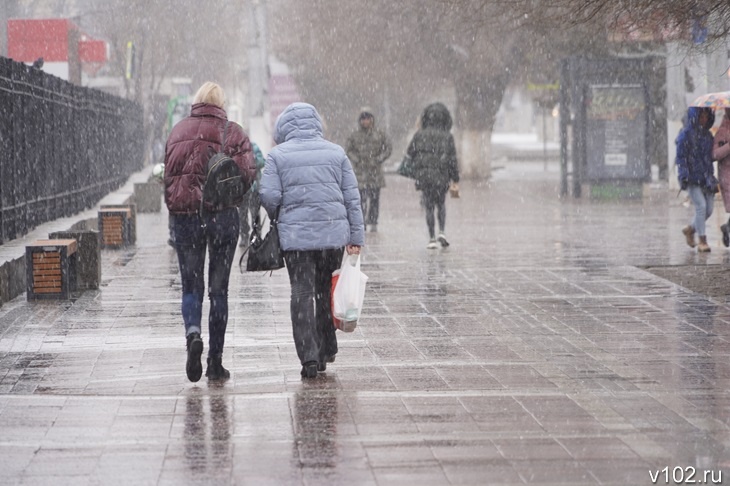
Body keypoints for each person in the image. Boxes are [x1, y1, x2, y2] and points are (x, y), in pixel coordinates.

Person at [259, 102, 364, 379]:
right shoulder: (336, 153)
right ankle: (327, 348)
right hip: (333, 236)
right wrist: (356, 237)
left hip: (297, 239)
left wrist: (281, 213)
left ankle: (308, 357)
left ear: (284, 127)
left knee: (302, 293)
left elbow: (268, 195)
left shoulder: (277, 156)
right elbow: (352, 198)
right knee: (324, 290)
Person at [164, 81, 256, 382]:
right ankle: (215, 362)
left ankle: (192, 334)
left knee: (191, 287)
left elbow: (169, 175)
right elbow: (246, 175)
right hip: (222, 219)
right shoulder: (234, 132)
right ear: (221, 103)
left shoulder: (178, 131)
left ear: (197, 101)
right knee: (219, 292)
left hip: (186, 218)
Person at [405, 102, 460, 249]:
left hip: (424, 176)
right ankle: (442, 231)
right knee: (441, 204)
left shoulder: (419, 135)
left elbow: (410, 153)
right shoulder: (448, 136)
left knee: (429, 206)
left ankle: (432, 239)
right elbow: (452, 159)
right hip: (442, 176)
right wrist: (455, 179)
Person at [345, 108, 392, 233]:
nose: (365, 121)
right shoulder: (354, 135)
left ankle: (373, 220)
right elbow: (348, 149)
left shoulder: (379, 133)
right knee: (361, 199)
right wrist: (356, 160)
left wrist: (378, 159)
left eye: (368, 119)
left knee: (375, 198)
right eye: (363, 119)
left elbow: (388, 148)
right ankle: (362, 221)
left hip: (375, 171)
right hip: (360, 172)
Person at [676, 106, 716, 253]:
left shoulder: (708, 136)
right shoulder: (685, 135)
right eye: (701, 116)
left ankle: (691, 229)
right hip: (692, 178)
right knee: (701, 206)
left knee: (709, 209)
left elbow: (711, 157)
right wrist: (684, 175)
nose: (704, 119)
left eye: (706, 116)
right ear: (695, 117)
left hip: (706, 178)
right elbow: (681, 158)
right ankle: (702, 240)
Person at [239, 142, 266, 247]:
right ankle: (244, 236)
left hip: (254, 188)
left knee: (255, 214)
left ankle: (257, 235)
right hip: (242, 190)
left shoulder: (254, 146)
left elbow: (262, 161)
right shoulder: (236, 149)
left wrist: (251, 161)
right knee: (242, 215)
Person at [714, 108, 730, 247]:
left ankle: (728, 227)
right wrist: (728, 147)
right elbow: (714, 155)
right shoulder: (723, 131)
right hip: (727, 175)